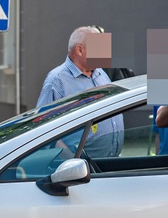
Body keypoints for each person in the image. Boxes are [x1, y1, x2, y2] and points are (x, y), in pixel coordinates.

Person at [36, 26, 123, 157]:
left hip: (109, 162)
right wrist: (71, 159)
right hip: (81, 169)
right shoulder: (57, 81)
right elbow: (43, 127)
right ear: (80, 50)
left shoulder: (100, 73)